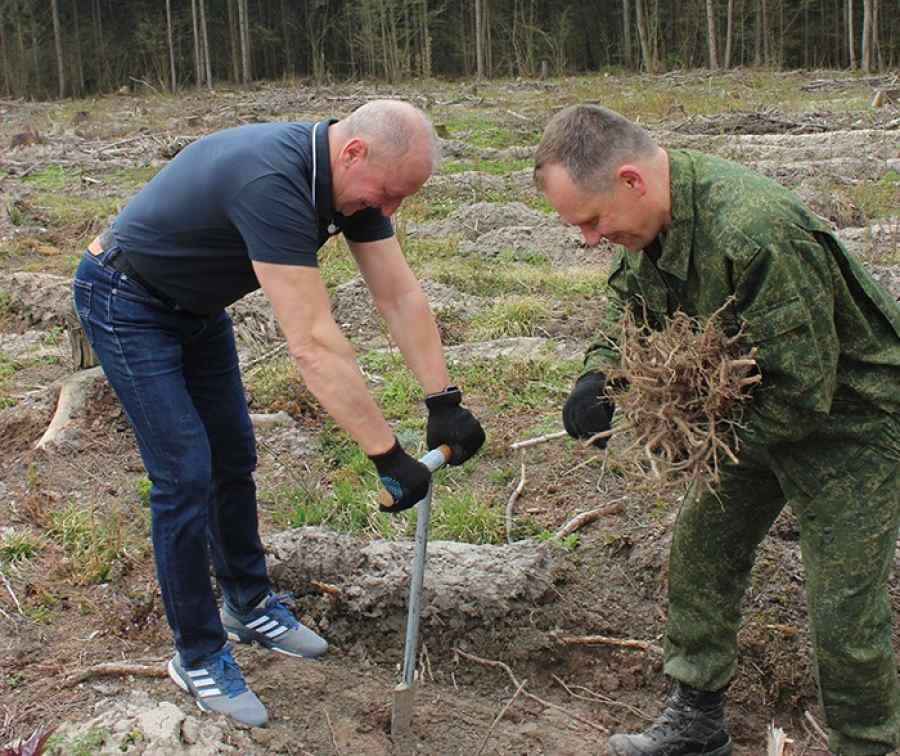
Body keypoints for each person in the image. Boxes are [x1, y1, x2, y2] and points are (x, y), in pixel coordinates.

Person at [72, 100, 485, 727]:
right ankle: (198, 653)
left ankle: (246, 602)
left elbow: (397, 293)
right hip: (126, 300)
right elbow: (312, 341)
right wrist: (387, 455)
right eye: (389, 193)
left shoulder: (352, 187)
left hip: (196, 310)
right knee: (185, 472)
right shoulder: (273, 182)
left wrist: (442, 399)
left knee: (233, 455)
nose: (389, 209)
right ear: (353, 154)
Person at [533, 104, 900, 756]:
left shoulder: (755, 231)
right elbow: (628, 303)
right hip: (760, 409)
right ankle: (697, 722)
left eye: (592, 221)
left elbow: (806, 394)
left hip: (853, 421)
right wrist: (598, 379)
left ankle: (867, 744)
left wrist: (699, 436)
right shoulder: (652, 227)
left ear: (631, 181)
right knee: (702, 550)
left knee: (844, 611)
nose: (589, 240)